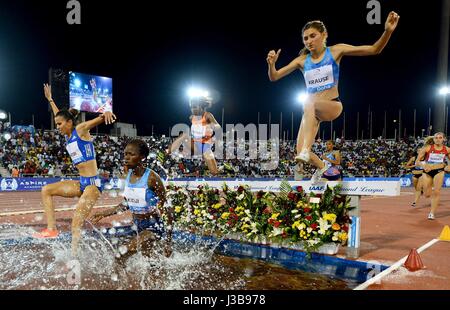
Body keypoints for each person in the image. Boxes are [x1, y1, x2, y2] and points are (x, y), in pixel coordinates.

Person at [267, 12, 400, 182]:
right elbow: (274, 77)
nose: (308, 41)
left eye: (312, 36)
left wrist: (388, 31)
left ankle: (306, 151)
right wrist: (271, 65)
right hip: (311, 111)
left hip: (332, 105)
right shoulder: (301, 60)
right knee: (298, 148)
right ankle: (324, 169)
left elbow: (374, 49)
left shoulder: (336, 51)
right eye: (305, 38)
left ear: (324, 35)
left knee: (308, 106)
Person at [33, 83, 117, 257]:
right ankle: (51, 229)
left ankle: (74, 257)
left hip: (92, 185)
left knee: (76, 221)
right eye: (56, 124)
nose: (57, 127)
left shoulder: (80, 130)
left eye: (60, 124)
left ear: (70, 122)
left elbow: (98, 120)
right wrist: (50, 99)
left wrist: (106, 114)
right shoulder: (68, 134)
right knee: (46, 190)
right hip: (81, 183)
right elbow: (59, 115)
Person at [89, 139, 173, 259]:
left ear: (142, 157)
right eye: (125, 154)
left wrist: (168, 241)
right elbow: (126, 203)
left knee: (120, 255)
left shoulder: (152, 178)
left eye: (131, 154)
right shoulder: (127, 175)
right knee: (150, 262)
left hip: (152, 227)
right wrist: (104, 214)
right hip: (137, 225)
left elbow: (167, 208)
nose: (127, 158)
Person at [169, 96, 221, 175]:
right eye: (191, 107)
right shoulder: (191, 117)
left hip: (205, 146)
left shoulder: (207, 115)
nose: (192, 109)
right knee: (184, 135)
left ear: (201, 107)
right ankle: (167, 152)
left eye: (194, 107)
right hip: (195, 145)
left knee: (214, 172)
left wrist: (213, 126)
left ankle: (219, 169)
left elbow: (218, 126)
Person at [416, 132, 450, 220]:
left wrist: (448, 166)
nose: (438, 139)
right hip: (427, 172)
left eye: (440, 138)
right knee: (427, 194)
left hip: (439, 171)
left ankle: (432, 213)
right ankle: (427, 190)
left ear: (444, 139)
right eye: (436, 138)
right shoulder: (427, 148)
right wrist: (424, 166)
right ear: (433, 139)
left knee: (437, 191)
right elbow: (417, 161)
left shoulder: (447, 149)